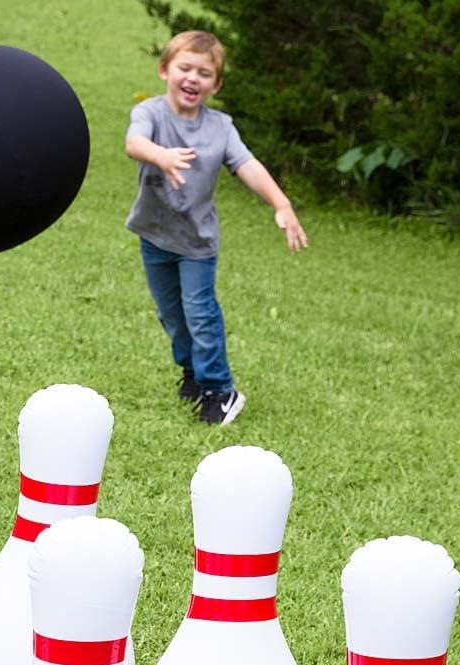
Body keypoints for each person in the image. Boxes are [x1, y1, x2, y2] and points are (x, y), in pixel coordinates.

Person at [125, 30, 308, 425]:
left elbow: (248, 165)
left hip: (197, 244)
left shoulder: (220, 128)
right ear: (164, 70)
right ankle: (191, 372)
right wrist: (163, 157)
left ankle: (220, 390)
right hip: (155, 235)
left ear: (216, 84)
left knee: (200, 313)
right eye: (184, 68)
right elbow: (134, 143)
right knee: (171, 314)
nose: (192, 78)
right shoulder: (151, 114)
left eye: (204, 73)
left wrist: (281, 203)